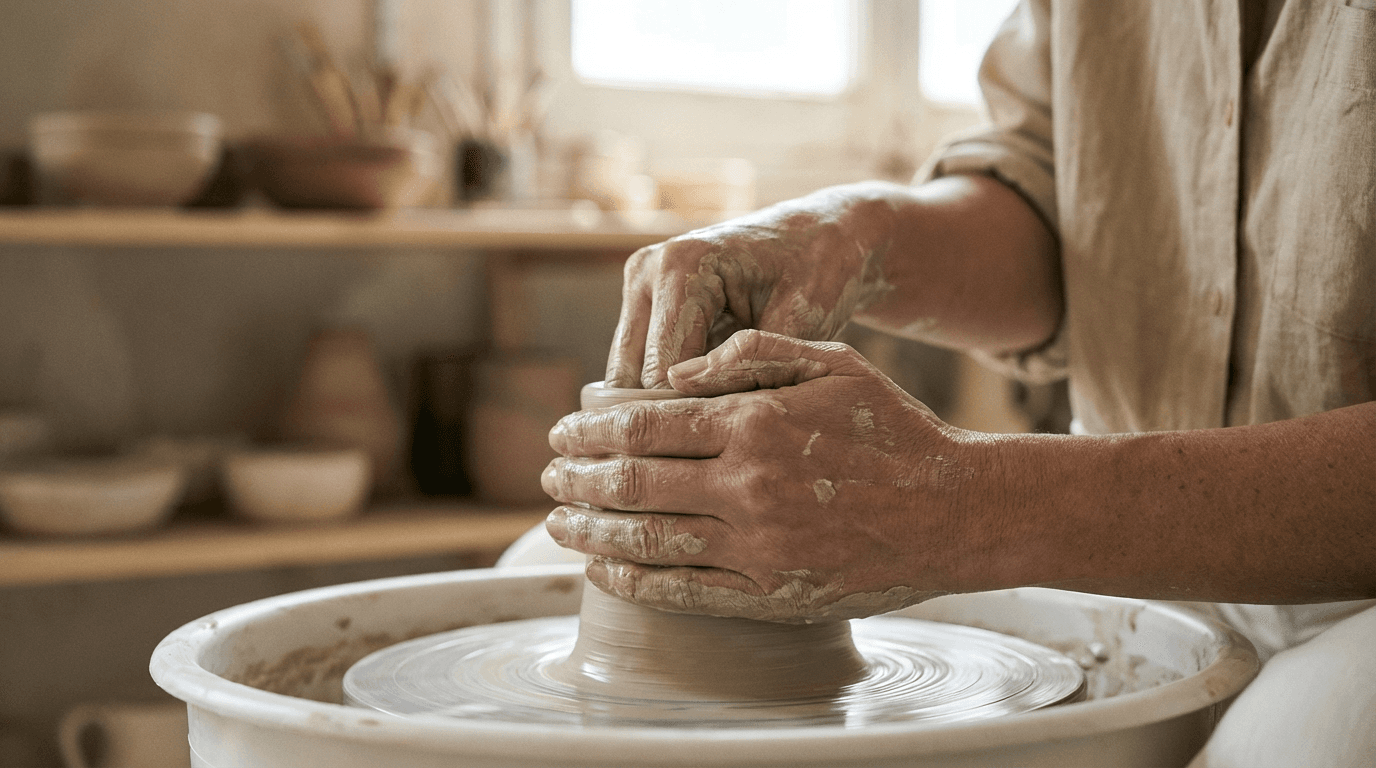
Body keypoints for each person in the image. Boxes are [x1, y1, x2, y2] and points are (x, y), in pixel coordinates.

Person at [540, 1, 1375, 764]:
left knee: (1314, 739)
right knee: (546, 566)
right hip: (1110, 542)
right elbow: (1067, 214)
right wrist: (851, 231)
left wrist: (964, 504)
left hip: (1345, 589)